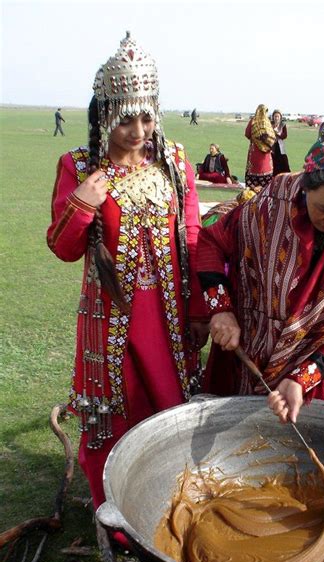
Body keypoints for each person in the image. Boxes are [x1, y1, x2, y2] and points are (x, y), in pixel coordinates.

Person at [47, 33, 208, 510]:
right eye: (125, 118)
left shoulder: (174, 163)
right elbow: (62, 248)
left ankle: (170, 497)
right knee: (114, 410)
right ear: (106, 113)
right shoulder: (78, 166)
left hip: (169, 318)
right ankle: (114, 505)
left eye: (145, 116)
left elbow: (194, 236)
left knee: (171, 401)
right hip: (110, 318)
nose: (137, 130)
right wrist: (82, 204)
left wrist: (198, 309)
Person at [197, 123, 324, 423]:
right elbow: (212, 242)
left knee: (304, 458)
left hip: (320, 379)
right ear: (305, 186)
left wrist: (302, 378)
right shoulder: (272, 202)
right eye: (323, 208)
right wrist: (221, 310)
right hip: (248, 353)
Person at [244, 104, 276, 189]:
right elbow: (272, 138)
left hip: (254, 151)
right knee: (265, 181)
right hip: (266, 154)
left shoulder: (253, 121)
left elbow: (247, 134)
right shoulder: (267, 123)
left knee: (252, 179)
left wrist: (255, 138)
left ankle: (251, 195)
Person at [271, 110, 291, 176]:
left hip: (280, 146)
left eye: (278, 116)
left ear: (280, 117)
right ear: (273, 117)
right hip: (272, 146)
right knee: (273, 161)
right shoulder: (270, 124)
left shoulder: (283, 125)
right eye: (275, 116)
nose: (276, 118)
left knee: (283, 161)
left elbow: (285, 136)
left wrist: (278, 132)